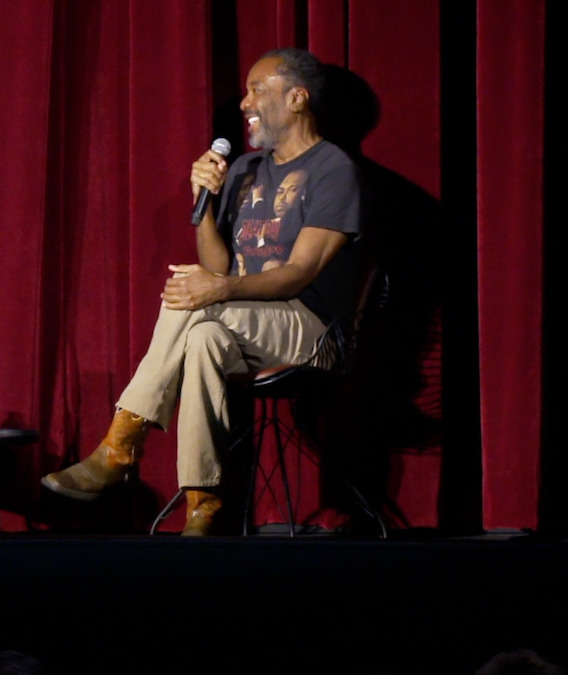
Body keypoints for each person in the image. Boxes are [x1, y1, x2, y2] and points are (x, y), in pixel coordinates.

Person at [42, 48, 364, 536]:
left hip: (309, 327)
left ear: (297, 98)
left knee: (192, 298)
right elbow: (219, 266)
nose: (244, 102)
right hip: (245, 320)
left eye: (258, 89)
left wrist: (217, 287)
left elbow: (299, 273)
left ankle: (120, 445)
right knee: (201, 338)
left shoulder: (333, 170)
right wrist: (206, 202)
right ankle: (203, 504)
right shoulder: (245, 170)